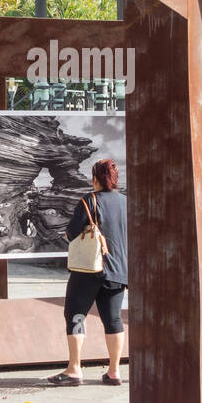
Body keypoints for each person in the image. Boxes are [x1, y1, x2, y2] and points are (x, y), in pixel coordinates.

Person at [47, 157, 127, 386]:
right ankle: (114, 372)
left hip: (89, 270)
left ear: (95, 179)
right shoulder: (125, 202)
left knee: (75, 314)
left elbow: (72, 233)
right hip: (117, 270)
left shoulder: (89, 200)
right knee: (113, 320)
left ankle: (74, 369)